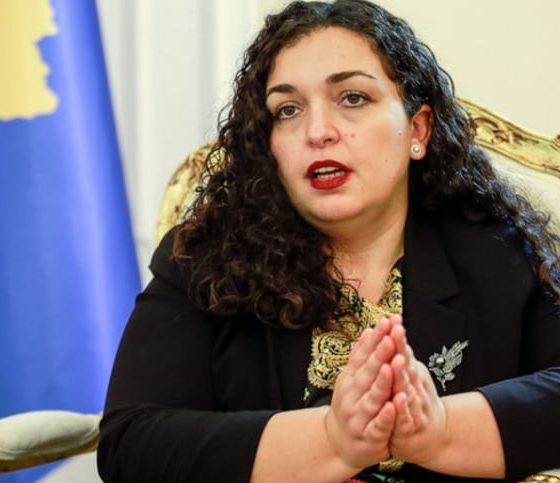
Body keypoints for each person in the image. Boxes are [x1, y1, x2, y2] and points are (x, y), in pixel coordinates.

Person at [97, 1, 560, 482]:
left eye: (353, 98)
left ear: (417, 129)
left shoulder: (496, 249)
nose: (317, 132)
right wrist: (330, 440)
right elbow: (131, 444)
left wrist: (439, 432)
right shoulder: (206, 258)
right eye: (288, 110)